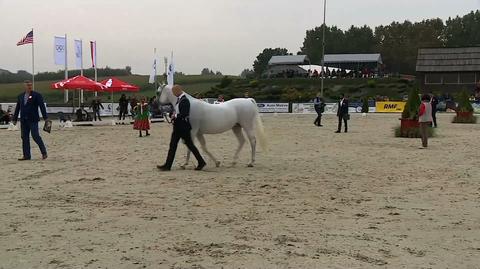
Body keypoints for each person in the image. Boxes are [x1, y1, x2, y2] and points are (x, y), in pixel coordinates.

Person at [157, 85, 206, 171]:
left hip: (183, 127)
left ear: (177, 91)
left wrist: (174, 116)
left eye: (173, 92)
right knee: (173, 145)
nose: (173, 93)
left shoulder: (185, 100)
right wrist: (172, 114)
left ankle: (201, 161)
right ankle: (168, 165)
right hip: (178, 126)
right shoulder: (180, 100)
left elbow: (184, 114)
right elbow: (178, 111)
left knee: (190, 145)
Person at [12, 80, 48, 160]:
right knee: (24, 137)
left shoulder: (37, 95)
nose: (29, 86)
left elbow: (42, 107)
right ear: (24, 86)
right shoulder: (20, 96)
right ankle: (26, 155)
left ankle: (44, 152)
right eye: (28, 85)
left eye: (30, 85)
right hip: (23, 120)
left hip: (33, 119)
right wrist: (14, 119)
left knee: (35, 136)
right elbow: (18, 108)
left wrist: (46, 118)